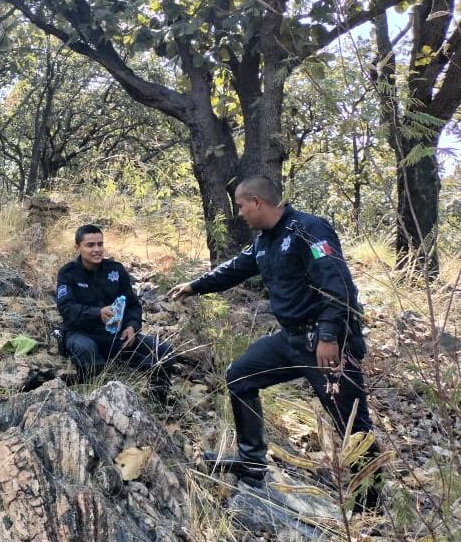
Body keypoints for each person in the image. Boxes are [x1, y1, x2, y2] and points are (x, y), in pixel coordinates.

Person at [170, 176, 380, 509]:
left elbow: (338, 285)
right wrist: (195, 286)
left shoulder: (309, 229)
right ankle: (252, 463)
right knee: (239, 376)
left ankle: (372, 508)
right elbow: (236, 268)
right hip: (291, 339)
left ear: (256, 201)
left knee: (353, 425)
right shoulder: (265, 241)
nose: (239, 213)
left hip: (327, 343)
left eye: (240, 206)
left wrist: (328, 336)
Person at [56, 224, 173, 400]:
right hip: (81, 333)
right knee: (86, 350)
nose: (97, 249)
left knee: (164, 351)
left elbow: (133, 305)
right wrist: (97, 313)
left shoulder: (115, 270)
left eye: (100, 244)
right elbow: (66, 308)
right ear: (77, 247)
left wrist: (132, 327)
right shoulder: (68, 273)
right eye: (90, 245)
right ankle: (89, 397)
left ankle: (158, 400)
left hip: (116, 336)